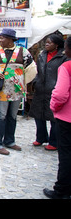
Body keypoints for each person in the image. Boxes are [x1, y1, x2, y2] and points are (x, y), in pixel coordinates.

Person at [0, 28, 37, 155]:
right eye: (0, 37)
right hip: (1, 90)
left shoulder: (23, 52)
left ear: (10, 40)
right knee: (0, 116)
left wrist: (22, 82)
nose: (0, 40)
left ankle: (9, 141)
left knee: (12, 116)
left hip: (17, 90)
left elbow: (32, 68)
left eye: (2, 38)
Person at [44, 36, 71, 199]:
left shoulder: (66, 66)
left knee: (66, 154)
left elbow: (60, 94)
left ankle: (62, 190)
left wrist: (54, 107)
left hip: (67, 118)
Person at [29, 34, 67, 151]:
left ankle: (54, 141)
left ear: (56, 45)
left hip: (54, 90)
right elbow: (38, 71)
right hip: (40, 89)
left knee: (53, 117)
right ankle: (40, 137)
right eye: (46, 42)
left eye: (49, 43)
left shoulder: (63, 57)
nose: (46, 44)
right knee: (38, 115)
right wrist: (35, 83)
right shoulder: (42, 55)